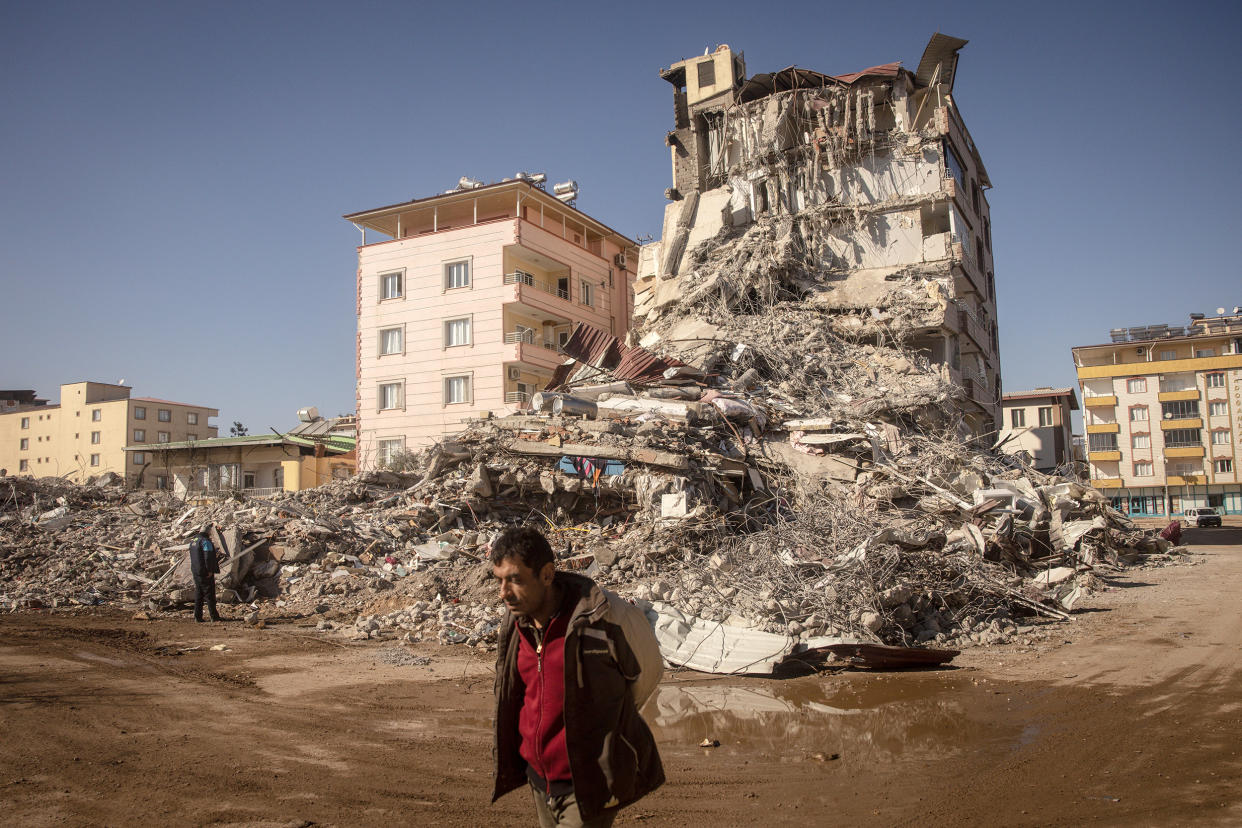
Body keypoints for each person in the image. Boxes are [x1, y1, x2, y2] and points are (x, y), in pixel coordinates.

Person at [490, 527, 663, 827]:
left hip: (587, 781)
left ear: (546, 575)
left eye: (515, 580)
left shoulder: (604, 618)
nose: (503, 593)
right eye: (500, 580)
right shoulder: (516, 624)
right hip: (540, 781)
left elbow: (647, 672)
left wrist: (613, 723)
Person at [189, 524, 222, 622]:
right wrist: (210, 570)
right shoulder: (205, 542)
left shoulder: (193, 541)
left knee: (199, 594)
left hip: (195, 571)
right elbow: (208, 557)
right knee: (210, 594)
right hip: (204, 572)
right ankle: (214, 616)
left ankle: (197, 616)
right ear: (208, 532)